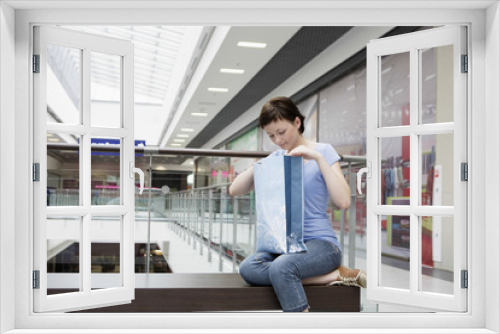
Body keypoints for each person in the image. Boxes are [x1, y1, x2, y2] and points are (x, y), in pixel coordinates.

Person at [229, 96, 366, 313]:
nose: (277, 140)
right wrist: (258, 166)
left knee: (282, 268)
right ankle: (335, 276)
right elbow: (234, 190)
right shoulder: (277, 157)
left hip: (320, 244)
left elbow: (343, 201)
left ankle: (300, 322)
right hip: (282, 245)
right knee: (248, 268)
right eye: (271, 135)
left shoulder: (324, 151)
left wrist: (318, 159)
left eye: (281, 132)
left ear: (297, 122)